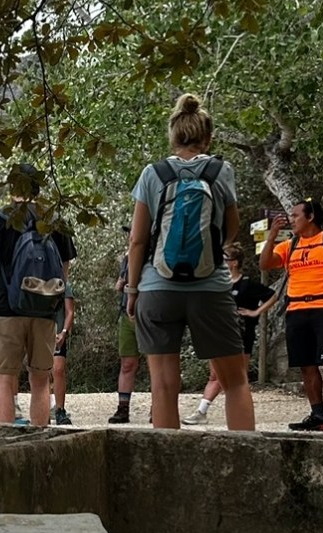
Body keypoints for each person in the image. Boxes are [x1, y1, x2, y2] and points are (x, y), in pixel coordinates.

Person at [127, 94, 255, 431]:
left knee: (164, 387)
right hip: (210, 287)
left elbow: (138, 240)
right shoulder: (220, 170)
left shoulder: (153, 174)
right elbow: (231, 228)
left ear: (173, 136)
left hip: (157, 288)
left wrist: (132, 290)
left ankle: (168, 475)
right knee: (235, 382)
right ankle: (246, 467)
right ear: (208, 138)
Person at [0, 162, 77, 427]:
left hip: (7, 310)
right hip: (44, 311)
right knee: (41, 379)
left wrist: (0, 298)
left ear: (12, 186)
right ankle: (39, 440)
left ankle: (7, 444)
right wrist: (48, 298)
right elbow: (64, 273)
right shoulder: (56, 221)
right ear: (38, 186)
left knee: (5, 378)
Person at [261, 198, 323, 434]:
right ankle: (318, 414)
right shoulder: (290, 244)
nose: (291, 220)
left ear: (310, 216)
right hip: (296, 310)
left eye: (295, 216)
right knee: (306, 365)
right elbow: (265, 264)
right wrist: (272, 236)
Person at [185, 244, 275, 426]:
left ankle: (213, 413)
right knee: (215, 375)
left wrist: (256, 312)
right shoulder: (216, 284)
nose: (222, 263)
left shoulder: (248, 284)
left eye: (225, 259)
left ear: (234, 263)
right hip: (218, 333)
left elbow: (272, 296)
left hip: (242, 335)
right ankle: (202, 412)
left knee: (236, 377)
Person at [108, 237, 141, 425]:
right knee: (127, 363)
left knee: (157, 363)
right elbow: (119, 285)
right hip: (126, 315)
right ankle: (123, 409)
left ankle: (158, 406)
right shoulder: (127, 258)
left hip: (147, 313)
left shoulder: (154, 255)